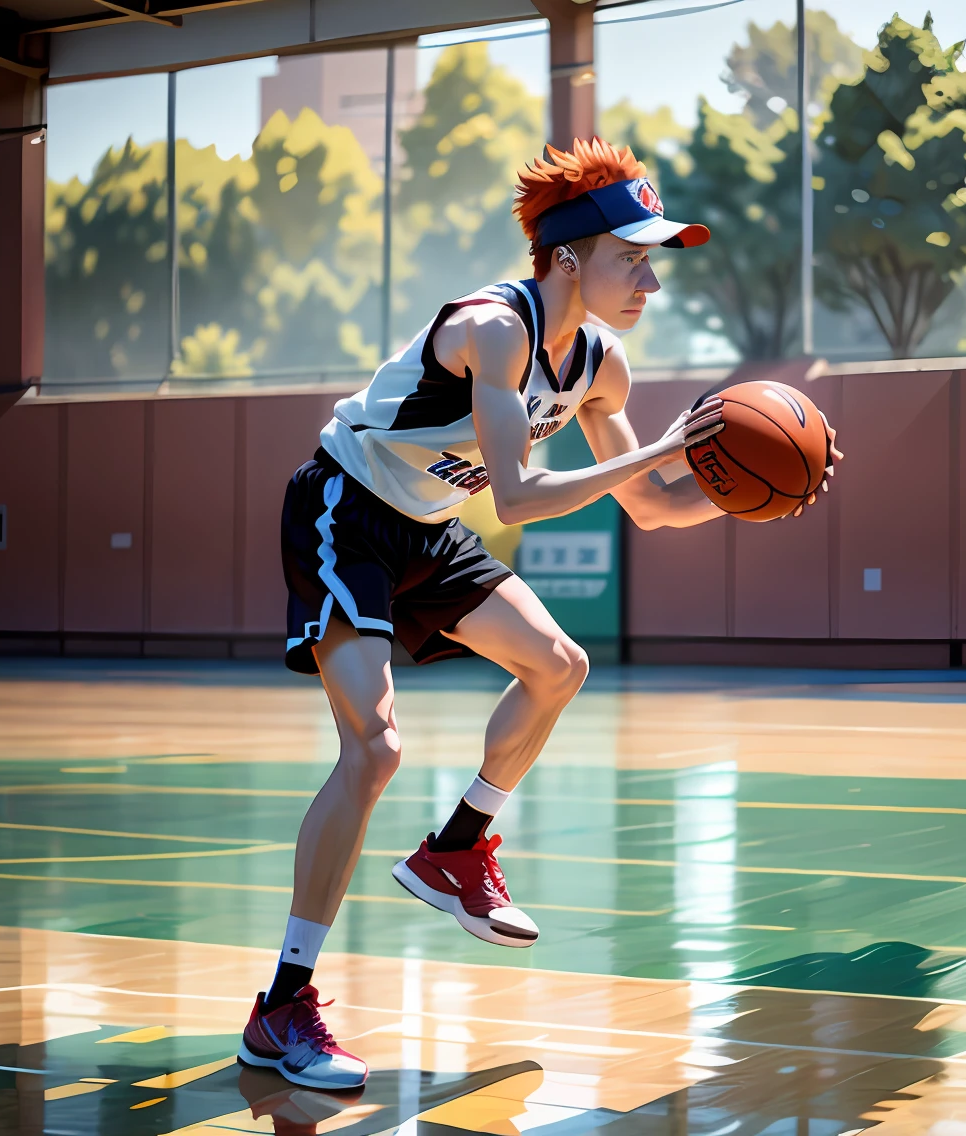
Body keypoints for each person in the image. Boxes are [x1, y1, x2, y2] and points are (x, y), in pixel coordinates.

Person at [237, 138, 833, 1090]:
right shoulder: (493, 330)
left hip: (428, 526)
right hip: (346, 509)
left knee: (560, 664)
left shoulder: (602, 364)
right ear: (566, 257)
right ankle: (282, 1007)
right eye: (630, 256)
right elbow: (515, 498)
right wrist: (659, 452)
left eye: (652, 259)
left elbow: (653, 506)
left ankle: (457, 851)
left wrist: (754, 490)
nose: (649, 278)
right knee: (377, 749)